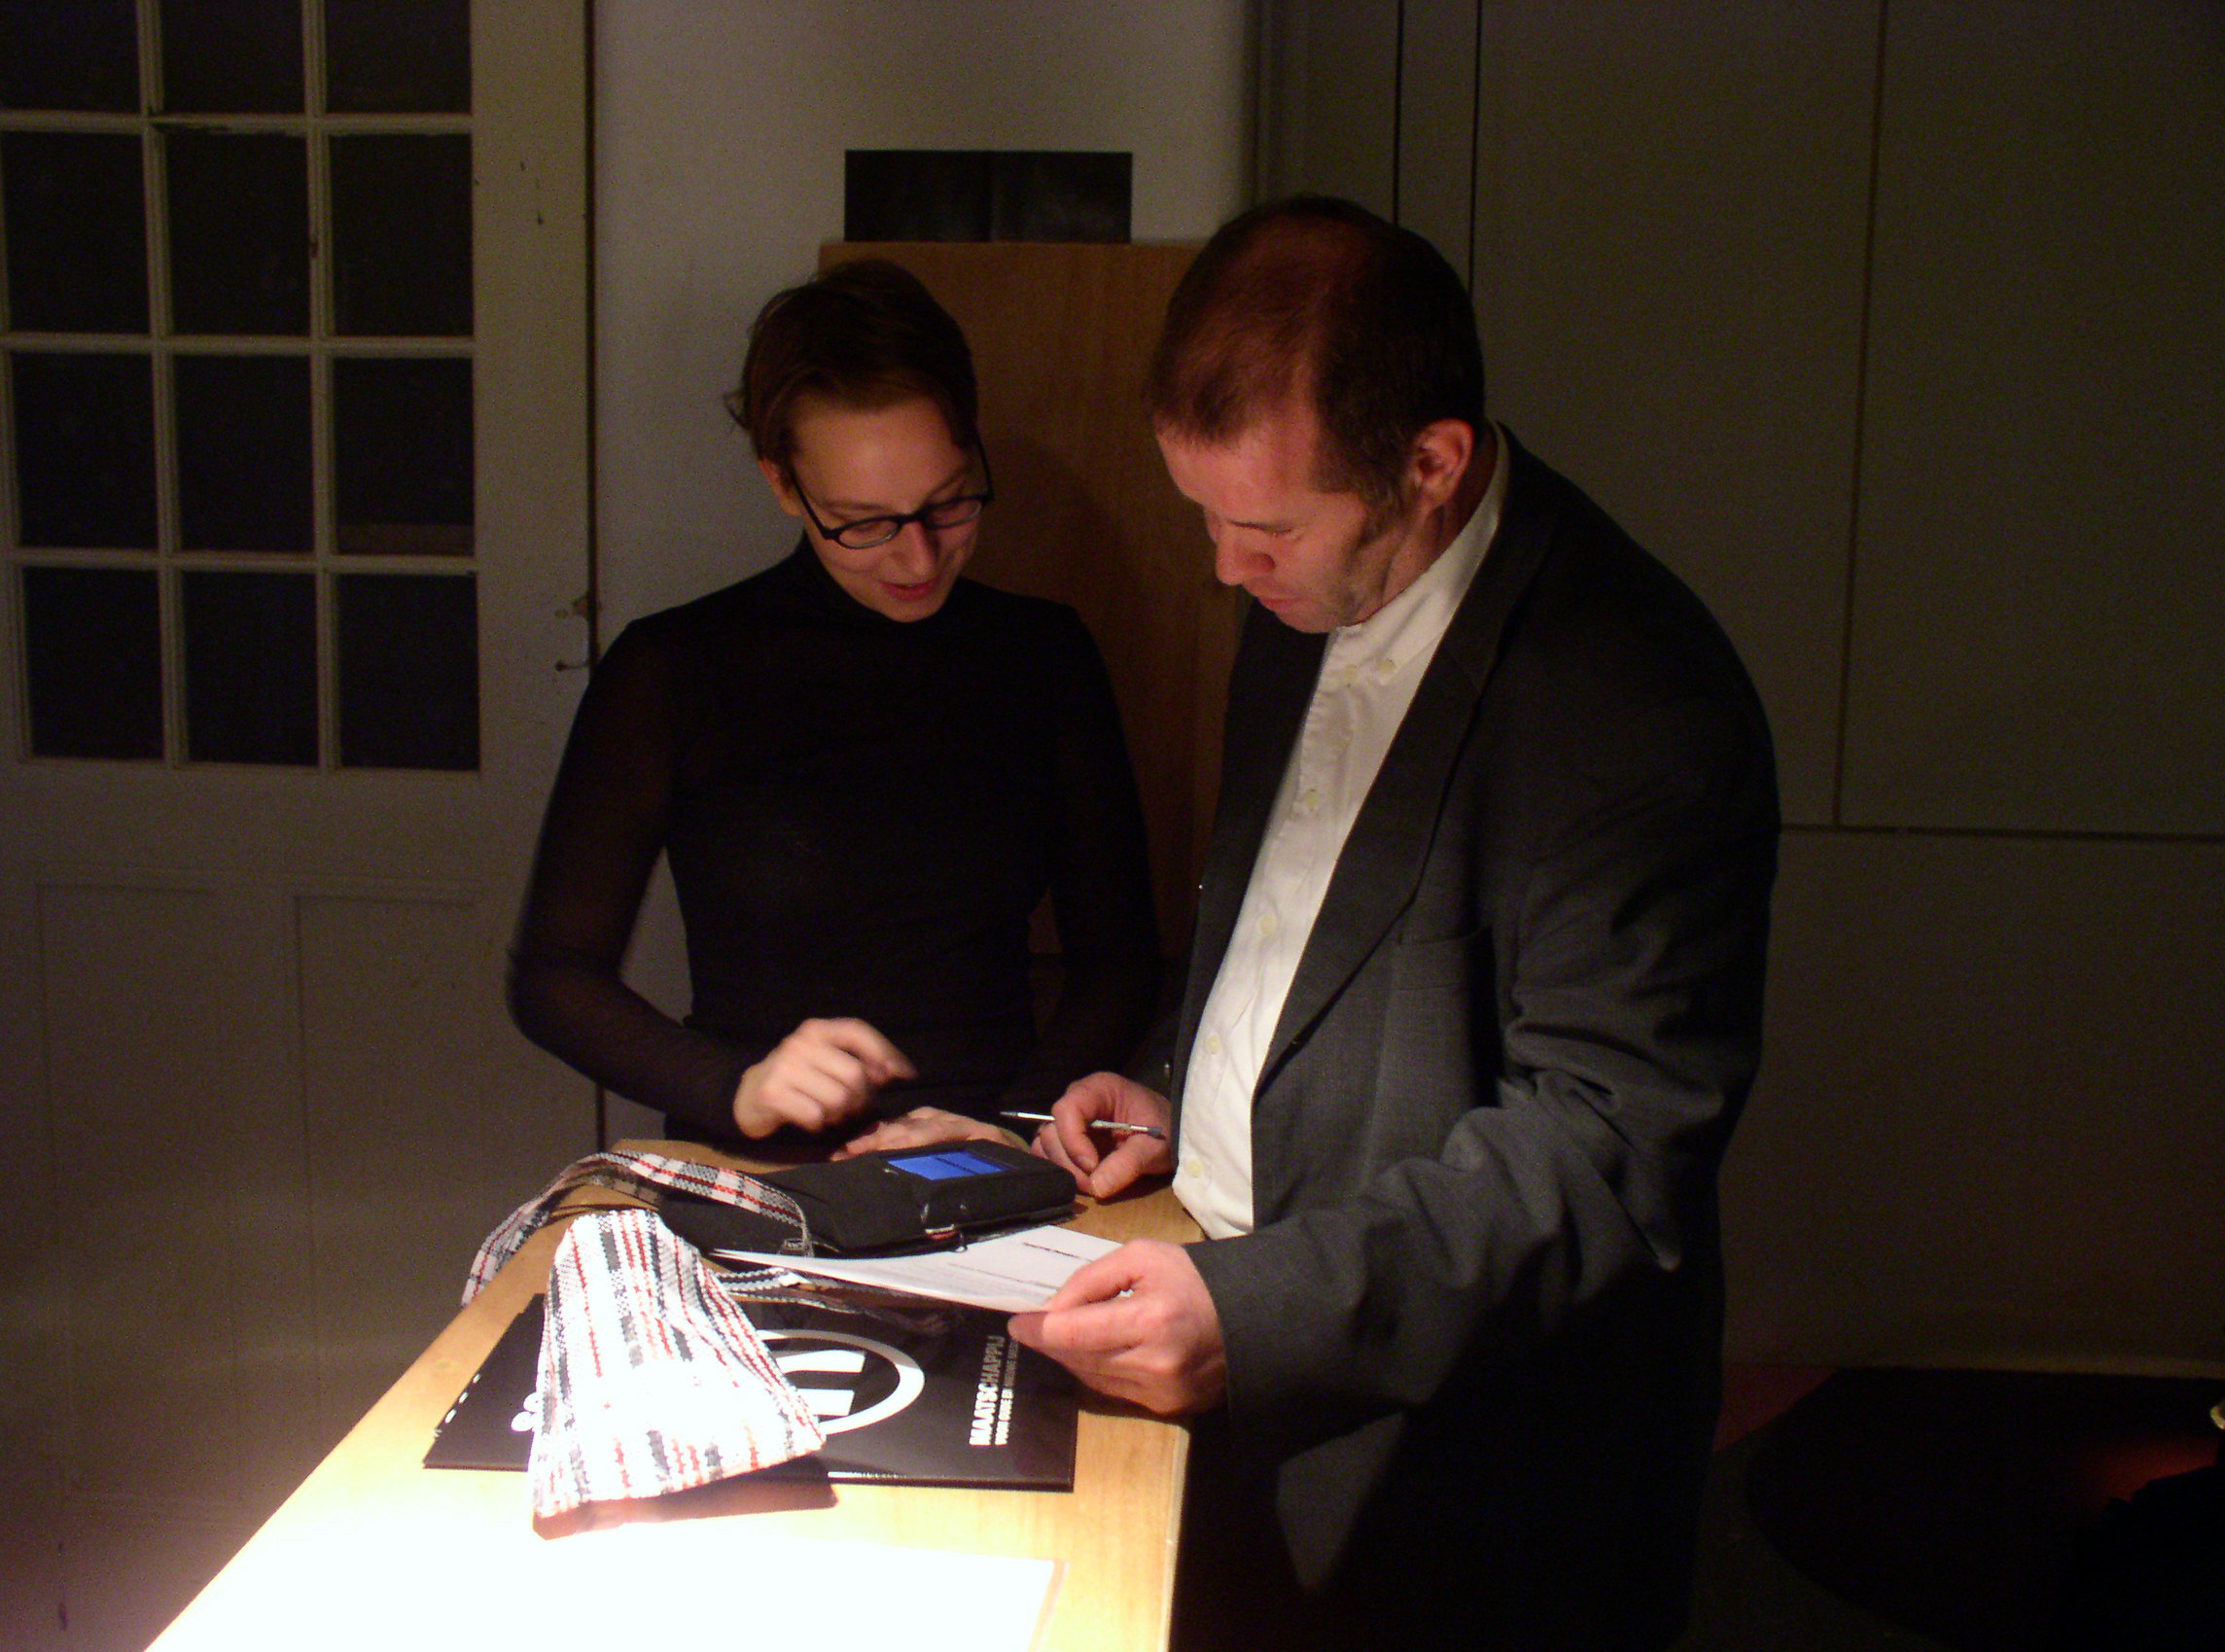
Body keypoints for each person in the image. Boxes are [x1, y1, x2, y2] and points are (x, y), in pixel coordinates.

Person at [1007, 197, 1780, 1650]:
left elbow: (1609, 1149)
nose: (1227, 571)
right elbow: (1301, 915)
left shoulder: (1637, 705)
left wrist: (1257, 1312)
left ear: (1432, 464)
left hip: (1468, 1471)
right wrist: (1193, 1086)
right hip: (1237, 1343)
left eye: (1264, 529)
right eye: (1207, 520)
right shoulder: (1296, 586)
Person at [509, 259, 1159, 1152]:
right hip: (758, 1165)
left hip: (999, 1155)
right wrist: (733, 1086)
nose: (919, 557)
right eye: (864, 521)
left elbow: (1121, 962)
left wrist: (1011, 1126)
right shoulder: (673, 669)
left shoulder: (1043, 655)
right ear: (785, 486)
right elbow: (553, 977)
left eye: (948, 503)